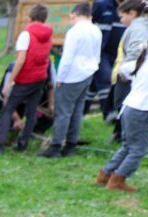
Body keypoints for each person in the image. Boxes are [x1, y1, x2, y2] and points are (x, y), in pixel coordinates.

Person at [0, 4, 54, 154]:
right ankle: (22, 144)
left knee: (8, 108)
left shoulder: (26, 34)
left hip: (26, 78)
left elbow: (21, 60)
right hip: (40, 78)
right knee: (32, 112)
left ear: (29, 18)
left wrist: (10, 82)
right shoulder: (48, 35)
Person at [98, 30, 148, 192]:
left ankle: (105, 175)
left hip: (129, 106)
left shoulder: (147, 57)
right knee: (138, 150)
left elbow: (124, 69)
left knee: (127, 146)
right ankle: (118, 180)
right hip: (141, 109)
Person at [41, 3, 103, 158]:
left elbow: (67, 58)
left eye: (71, 18)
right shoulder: (96, 30)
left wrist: (60, 78)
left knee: (63, 112)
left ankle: (55, 146)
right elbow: (97, 55)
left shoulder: (74, 32)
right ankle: (70, 145)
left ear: (74, 15)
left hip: (71, 76)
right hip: (88, 74)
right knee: (77, 111)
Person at [109, 0, 148, 143]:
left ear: (132, 13)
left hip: (129, 78)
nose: (121, 20)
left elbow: (136, 53)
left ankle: (128, 141)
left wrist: (125, 70)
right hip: (131, 76)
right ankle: (123, 138)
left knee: (126, 109)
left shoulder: (137, 29)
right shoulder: (140, 27)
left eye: (122, 16)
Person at [91, 0, 124, 118]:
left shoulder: (128, 7)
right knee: (106, 78)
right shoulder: (101, 5)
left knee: (93, 85)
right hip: (100, 51)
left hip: (117, 52)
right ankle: (109, 113)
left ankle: (81, 112)